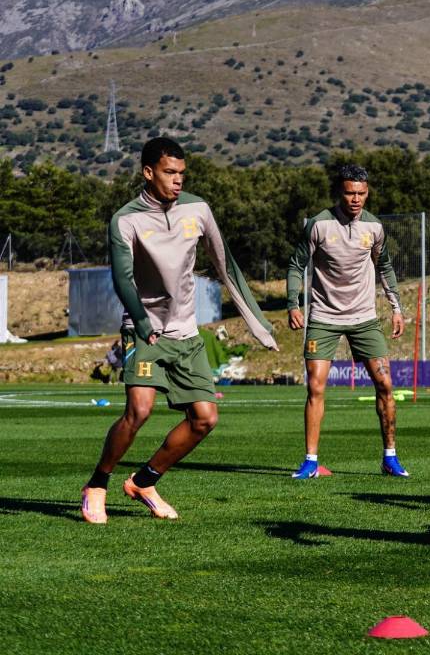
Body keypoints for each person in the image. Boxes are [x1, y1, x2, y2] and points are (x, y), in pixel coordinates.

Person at [80, 137, 278, 524]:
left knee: (205, 418)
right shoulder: (126, 219)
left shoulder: (198, 209)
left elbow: (227, 265)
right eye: (170, 173)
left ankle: (144, 481)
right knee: (139, 411)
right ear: (148, 172)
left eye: (182, 174)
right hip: (143, 330)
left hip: (186, 332)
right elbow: (122, 278)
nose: (177, 181)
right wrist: (140, 322)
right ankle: (98, 484)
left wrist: (257, 323)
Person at [285, 164, 408, 479]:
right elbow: (296, 265)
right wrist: (293, 304)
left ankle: (390, 458)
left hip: (364, 319)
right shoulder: (318, 225)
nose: (356, 199)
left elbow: (386, 268)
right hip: (324, 318)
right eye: (350, 193)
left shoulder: (375, 228)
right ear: (339, 192)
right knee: (316, 386)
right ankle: (311, 462)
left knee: (385, 384)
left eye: (362, 193)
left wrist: (397, 308)